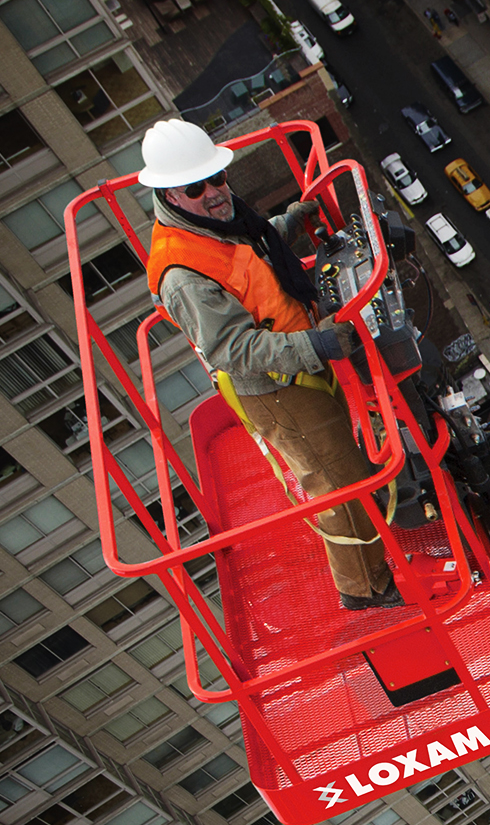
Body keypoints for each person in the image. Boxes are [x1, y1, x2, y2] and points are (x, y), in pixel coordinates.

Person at [139, 120, 399, 610]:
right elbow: (231, 349)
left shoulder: (220, 222)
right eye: (197, 187)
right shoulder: (182, 274)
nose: (215, 192)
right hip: (276, 385)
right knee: (337, 481)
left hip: (294, 356)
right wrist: (316, 346)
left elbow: (253, 259)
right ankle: (365, 588)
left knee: (345, 459)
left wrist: (290, 223)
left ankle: (375, 556)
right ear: (171, 196)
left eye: (218, 178)